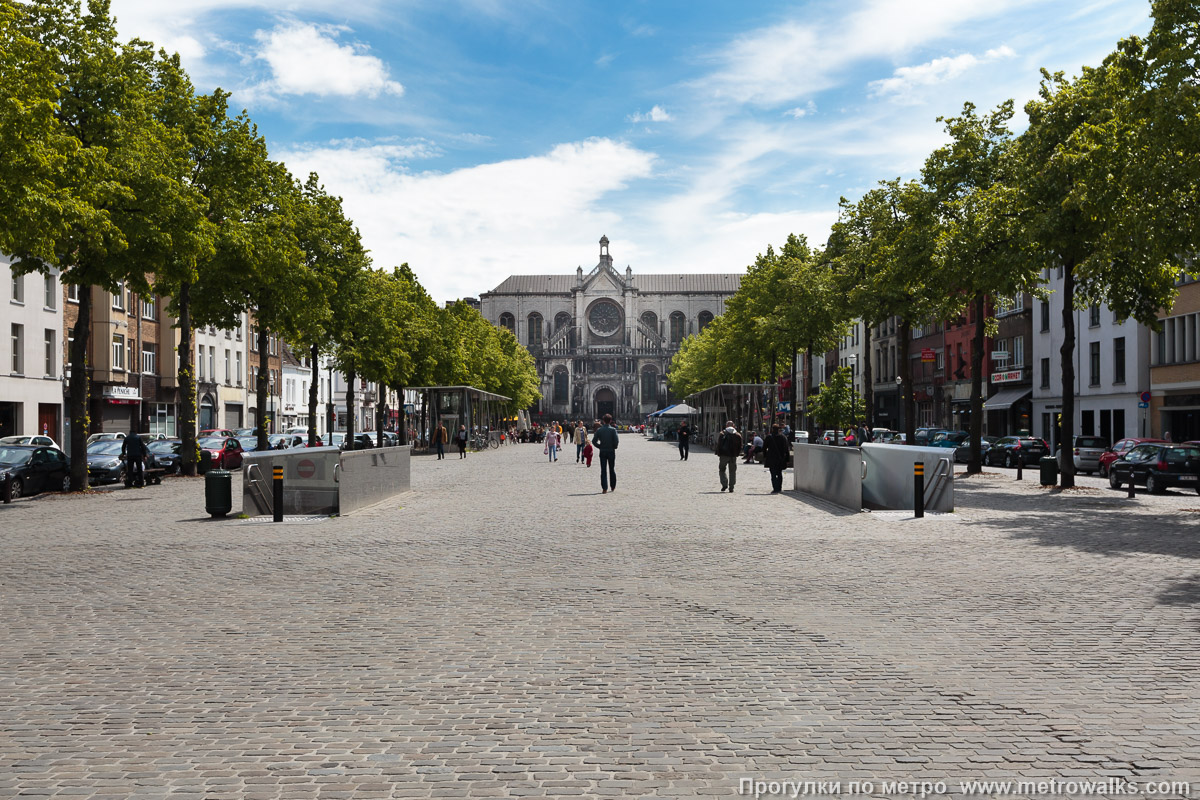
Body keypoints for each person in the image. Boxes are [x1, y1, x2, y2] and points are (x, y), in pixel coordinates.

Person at [592, 413, 619, 493]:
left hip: (603, 451)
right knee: (612, 469)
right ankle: (613, 486)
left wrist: (599, 446)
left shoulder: (599, 430)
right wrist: (614, 447)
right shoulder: (613, 430)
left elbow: (593, 441)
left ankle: (604, 488)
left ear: (603, 421)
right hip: (611, 451)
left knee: (603, 470)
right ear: (610, 421)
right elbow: (616, 441)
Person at [762, 424, 791, 494]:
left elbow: (764, 448)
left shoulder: (769, 437)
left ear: (772, 429)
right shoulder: (783, 437)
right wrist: (787, 459)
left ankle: (775, 488)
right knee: (779, 473)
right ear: (779, 429)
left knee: (773, 474)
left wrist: (765, 456)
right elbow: (787, 449)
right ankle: (779, 488)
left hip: (771, 459)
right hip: (780, 459)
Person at [716, 421, 743, 493]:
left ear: (726, 426)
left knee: (722, 470)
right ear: (733, 426)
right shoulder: (738, 435)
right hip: (733, 456)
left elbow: (719, 445)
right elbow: (740, 446)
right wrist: (737, 454)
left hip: (724, 455)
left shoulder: (722, 434)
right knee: (732, 471)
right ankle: (731, 487)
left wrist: (718, 453)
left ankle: (724, 483)